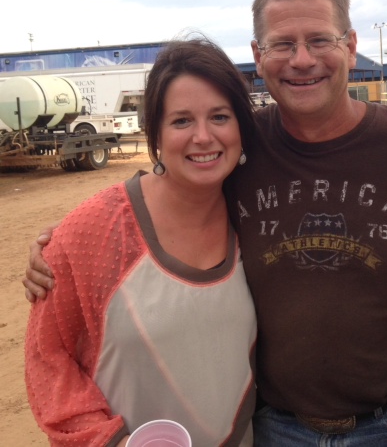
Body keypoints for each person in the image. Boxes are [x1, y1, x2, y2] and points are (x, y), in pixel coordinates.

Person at [25, 0, 387, 446]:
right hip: (278, 429)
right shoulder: (241, 147)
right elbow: (170, 184)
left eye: (320, 39)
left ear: (351, 44)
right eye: (282, 44)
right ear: (258, 56)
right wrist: (69, 244)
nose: (302, 60)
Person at [24, 37, 258, 446]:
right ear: (155, 132)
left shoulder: (257, 213)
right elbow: (47, 357)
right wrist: (105, 440)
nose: (203, 137)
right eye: (182, 121)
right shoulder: (92, 232)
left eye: (219, 117)